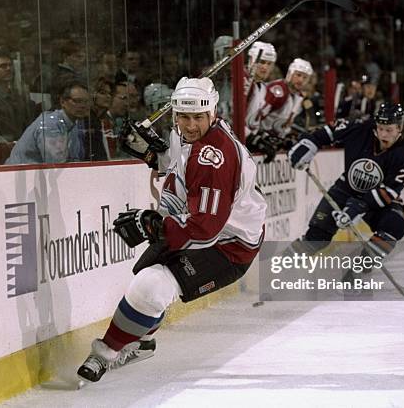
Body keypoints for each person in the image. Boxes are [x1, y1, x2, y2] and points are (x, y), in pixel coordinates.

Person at [77, 76, 266, 383]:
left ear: (213, 113)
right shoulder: (187, 135)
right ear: (175, 114)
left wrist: (153, 224)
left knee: (151, 286)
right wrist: (152, 154)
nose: (190, 125)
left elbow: (205, 228)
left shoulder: (214, 158)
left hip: (229, 246)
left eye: (198, 117)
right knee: (145, 275)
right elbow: (179, 165)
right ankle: (143, 342)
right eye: (184, 117)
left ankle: (105, 353)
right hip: (200, 228)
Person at [287, 103, 404, 278]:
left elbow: (389, 193)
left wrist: (356, 207)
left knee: (394, 226)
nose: (383, 135)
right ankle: (277, 267)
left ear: (400, 128)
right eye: (380, 128)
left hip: (377, 199)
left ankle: (357, 272)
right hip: (345, 189)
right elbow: (328, 132)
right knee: (317, 238)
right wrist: (309, 143)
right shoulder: (361, 127)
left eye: (389, 130)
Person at [5, 80, 89, 164]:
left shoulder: (73, 125)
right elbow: (56, 165)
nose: (82, 106)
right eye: (77, 101)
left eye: (86, 101)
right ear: (63, 102)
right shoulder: (50, 124)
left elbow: (74, 160)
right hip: (19, 174)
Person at [247, 58, 312, 162]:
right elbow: (256, 118)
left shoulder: (298, 96)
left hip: (273, 145)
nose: (301, 80)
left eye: (305, 77)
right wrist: (260, 139)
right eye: (298, 75)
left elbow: (283, 123)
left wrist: (287, 137)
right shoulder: (278, 90)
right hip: (256, 144)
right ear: (290, 73)